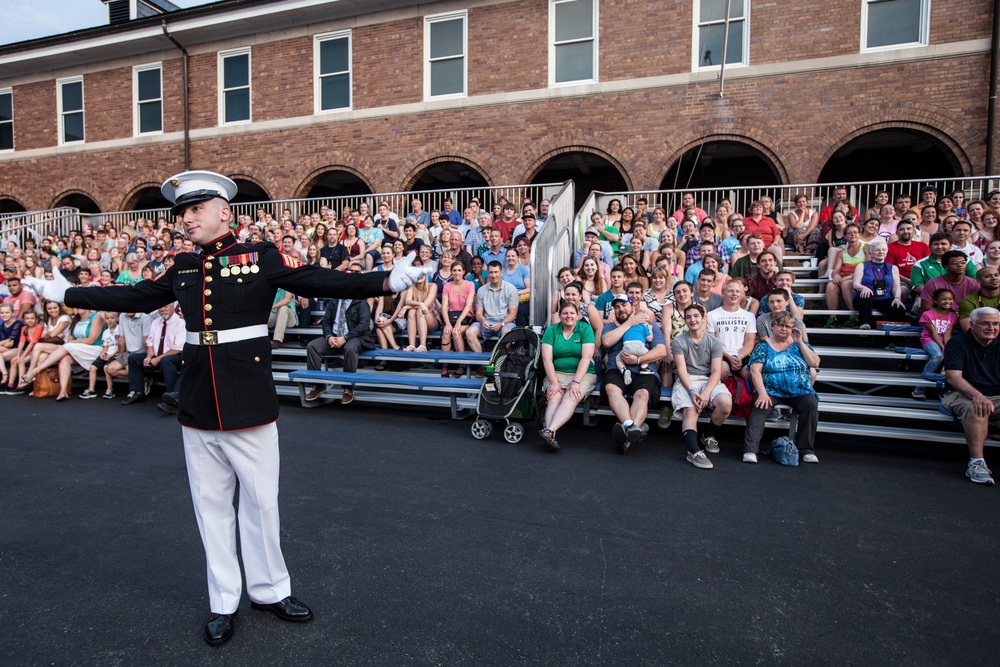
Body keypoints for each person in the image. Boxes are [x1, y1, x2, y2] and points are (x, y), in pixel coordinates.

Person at [22, 171, 431, 646]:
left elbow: (312, 279)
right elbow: (133, 296)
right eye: (182, 211)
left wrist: (383, 280)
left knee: (260, 504)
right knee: (210, 509)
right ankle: (223, 601)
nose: (187, 218)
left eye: (196, 209)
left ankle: (271, 590)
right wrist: (65, 294)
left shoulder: (260, 256)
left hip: (247, 398)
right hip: (198, 399)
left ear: (224, 212)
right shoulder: (183, 266)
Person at [743, 311, 822, 464]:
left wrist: (800, 342)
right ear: (773, 327)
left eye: (788, 326)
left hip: (799, 389)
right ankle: (750, 450)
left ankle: (806, 450)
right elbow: (755, 371)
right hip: (771, 389)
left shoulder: (800, 344)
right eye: (780, 325)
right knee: (760, 405)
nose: (784, 329)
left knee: (811, 404)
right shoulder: (763, 347)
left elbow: (815, 363)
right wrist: (762, 393)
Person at [602, 295, 667, 453]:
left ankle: (626, 435)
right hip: (617, 369)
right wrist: (629, 323)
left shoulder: (649, 325)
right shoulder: (611, 327)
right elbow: (606, 342)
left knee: (643, 394)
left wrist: (638, 360)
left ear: (633, 307)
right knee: (611, 388)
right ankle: (633, 428)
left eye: (624, 305)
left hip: (644, 370)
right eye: (616, 307)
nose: (620, 309)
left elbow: (661, 350)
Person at [669, 303, 732, 469]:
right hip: (687, 380)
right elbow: (681, 369)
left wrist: (705, 393)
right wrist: (691, 391)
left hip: (708, 379)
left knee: (725, 404)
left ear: (703, 318)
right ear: (685, 320)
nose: (692, 320)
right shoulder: (678, 341)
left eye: (696, 316)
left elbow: (717, 371)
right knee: (690, 411)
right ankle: (694, 451)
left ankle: (708, 435)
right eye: (688, 317)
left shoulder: (714, 342)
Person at [942, 307, 1000, 485]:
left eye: (996, 324)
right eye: (986, 323)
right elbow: (953, 378)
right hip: (961, 393)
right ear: (972, 325)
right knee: (977, 408)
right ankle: (976, 463)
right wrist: (977, 396)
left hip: (996, 394)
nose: (991, 328)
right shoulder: (957, 343)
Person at [538, 301, 598, 452]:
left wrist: (576, 382)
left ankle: (549, 430)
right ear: (559, 316)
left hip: (583, 373)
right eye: (564, 313)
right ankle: (550, 436)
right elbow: (546, 359)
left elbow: (587, 357)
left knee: (571, 396)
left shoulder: (585, 329)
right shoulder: (552, 330)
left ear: (578, 315)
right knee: (554, 396)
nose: (568, 316)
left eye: (572, 313)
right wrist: (553, 382)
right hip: (556, 372)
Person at [303, 292, 377, 405]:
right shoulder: (334, 301)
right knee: (312, 346)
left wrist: (345, 337)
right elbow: (326, 322)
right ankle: (317, 385)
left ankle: (348, 388)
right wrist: (329, 337)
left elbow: (363, 325)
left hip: (356, 337)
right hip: (335, 336)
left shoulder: (361, 301)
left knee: (350, 348)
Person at [120, 303, 185, 405]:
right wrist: (149, 357)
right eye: (160, 307)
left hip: (174, 356)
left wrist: (157, 359)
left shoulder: (180, 322)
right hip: (157, 355)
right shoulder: (156, 322)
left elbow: (178, 348)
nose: (162, 309)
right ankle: (138, 393)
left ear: (173, 307)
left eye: (166, 306)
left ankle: (172, 396)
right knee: (133, 358)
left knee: (166, 361)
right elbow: (150, 343)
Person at [706, 280, 756, 378]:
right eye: (730, 291)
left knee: (752, 372)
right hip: (721, 354)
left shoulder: (749, 316)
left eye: (737, 291)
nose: (734, 294)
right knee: (723, 370)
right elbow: (712, 342)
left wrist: (739, 357)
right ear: (723, 293)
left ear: (742, 295)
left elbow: (750, 343)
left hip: (742, 355)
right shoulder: (712, 315)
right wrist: (729, 357)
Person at [852, 239, 906, 329]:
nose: (881, 252)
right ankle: (864, 324)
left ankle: (891, 335)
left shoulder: (893, 268)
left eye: (883, 250)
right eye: (877, 250)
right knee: (867, 294)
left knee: (898, 309)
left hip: (884, 298)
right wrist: (863, 288)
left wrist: (897, 298)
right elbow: (855, 284)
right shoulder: (862, 265)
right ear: (871, 252)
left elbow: (896, 287)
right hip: (865, 298)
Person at [467, 261, 518, 355]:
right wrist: (482, 321)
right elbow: (478, 313)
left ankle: (498, 361)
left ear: (501, 272)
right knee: (470, 332)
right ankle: (482, 363)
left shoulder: (511, 288)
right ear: (488, 273)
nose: (493, 275)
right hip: (487, 321)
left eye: (496, 272)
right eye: (491, 272)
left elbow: (513, 314)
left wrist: (501, 323)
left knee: (507, 334)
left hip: (505, 322)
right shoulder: (482, 290)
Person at [78, 311, 125, 399]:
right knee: (92, 367)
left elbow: (120, 346)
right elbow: (105, 347)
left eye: (112, 318)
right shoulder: (106, 332)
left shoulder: (120, 330)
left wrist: (111, 355)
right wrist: (103, 353)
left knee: (106, 368)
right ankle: (91, 389)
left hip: (116, 354)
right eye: (107, 318)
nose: (110, 320)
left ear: (117, 319)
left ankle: (109, 390)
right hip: (108, 353)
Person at [959, 266, 1000, 332]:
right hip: (980, 337)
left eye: (996, 275)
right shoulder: (968, 301)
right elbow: (968, 330)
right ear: (978, 281)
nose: (994, 278)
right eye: (988, 276)